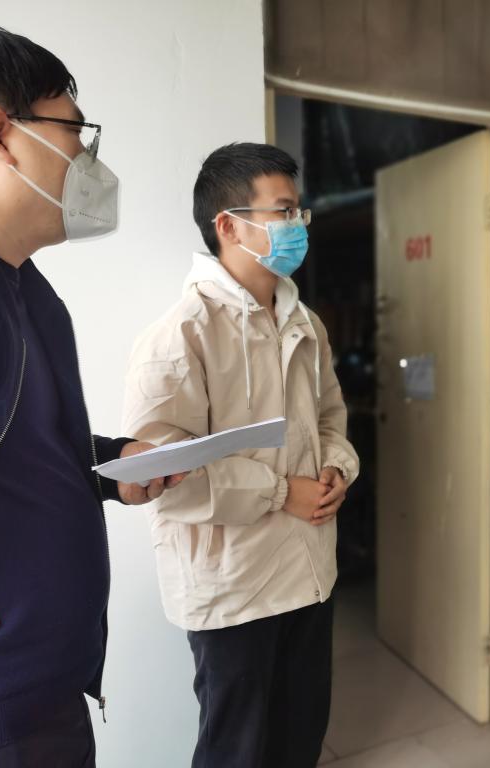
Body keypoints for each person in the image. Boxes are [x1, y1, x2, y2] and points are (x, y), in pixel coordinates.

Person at [0, 21, 183, 767]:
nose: (85, 157)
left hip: (43, 689)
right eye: (75, 131)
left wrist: (111, 464)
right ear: (1, 134)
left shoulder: (20, 286)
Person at [122, 142, 359, 768]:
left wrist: (336, 467)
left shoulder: (305, 322)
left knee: (299, 738)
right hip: (233, 588)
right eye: (283, 211)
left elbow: (330, 416)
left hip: (309, 570)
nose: (297, 225)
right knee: (237, 751)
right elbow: (162, 473)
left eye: (299, 211)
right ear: (228, 225)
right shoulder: (182, 334)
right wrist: (282, 492)